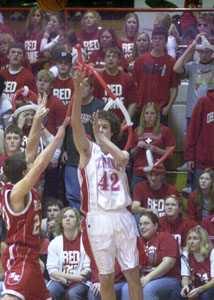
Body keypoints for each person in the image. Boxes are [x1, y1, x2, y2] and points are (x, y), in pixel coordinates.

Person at [71, 69, 143, 300]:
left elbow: (122, 159)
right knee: (106, 277)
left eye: (104, 127)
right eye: (97, 126)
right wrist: (77, 93)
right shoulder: (87, 151)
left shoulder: (120, 154)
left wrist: (102, 139)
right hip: (98, 217)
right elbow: (75, 125)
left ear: (112, 131)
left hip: (122, 215)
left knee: (133, 272)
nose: (100, 129)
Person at [1, 94, 69, 299]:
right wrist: (57, 138)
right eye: (28, 167)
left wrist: (37, 119)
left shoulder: (22, 184)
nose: (31, 165)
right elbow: (38, 163)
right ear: (24, 174)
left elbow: (30, 152)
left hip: (31, 256)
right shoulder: (16, 192)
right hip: (20, 255)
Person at [62, 75, 104, 209]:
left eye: (85, 85)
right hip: (73, 156)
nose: (82, 88)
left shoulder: (100, 106)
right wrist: (63, 150)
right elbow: (64, 129)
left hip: (92, 157)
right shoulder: (70, 106)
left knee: (92, 194)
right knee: (73, 195)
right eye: (80, 86)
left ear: (91, 89)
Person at [121, 211, 181, 300]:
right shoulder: (138, 241)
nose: (142, 227)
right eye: (140, 224)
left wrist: (148, 277)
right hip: (143, 278)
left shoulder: (165, 237)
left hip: (168, 278)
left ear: (155, 226)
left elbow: (169, 262)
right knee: (126, 288)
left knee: (148, 289)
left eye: (146, 224)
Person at [132, 27, 179, 125]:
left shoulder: (171, 62)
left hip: (161, 110)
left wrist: (169, 106)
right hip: (141, 109)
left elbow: (174, 87)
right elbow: (134, 84)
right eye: (155, 38)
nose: (157, 41)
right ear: (152, 40)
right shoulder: (141, 60)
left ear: (165, 41)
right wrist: (134, 104)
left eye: (161, 38)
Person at [46, 207, 91, 300]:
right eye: (64, 217)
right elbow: (52, 270)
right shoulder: (54, 243)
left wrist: (72, 279)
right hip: (61, 280)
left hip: (82, 281)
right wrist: (71, 278)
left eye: (71, 216)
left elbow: (88, 269)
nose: (67, 219)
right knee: (50, 291)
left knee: (73, 293)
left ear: (78, 221)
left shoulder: (86, 241)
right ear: (61, 222)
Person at [130, 102, 175, 191]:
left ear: (157, 115)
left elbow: (170, 154)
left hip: (158, 173)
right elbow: (131, 155)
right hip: (139, 173)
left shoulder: (165, 130)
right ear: (143, 116)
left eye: (152, 113)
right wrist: (137, 148)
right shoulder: (136, 131)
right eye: (146, 113)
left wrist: (156, 149)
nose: (149, 116)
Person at [173, 33, 214, 128]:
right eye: (202, 52)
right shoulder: (192, 66)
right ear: (198, 52)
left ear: (211, 53)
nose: (204, 55)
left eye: (207, 52)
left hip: (210, 111)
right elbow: (176, 68)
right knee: (192, 139)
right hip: (193, 110)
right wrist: (190, 48)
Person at [93, 47, 137, 126]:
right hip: (102, 123)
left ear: (119, 60)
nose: (110, 59)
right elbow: (94, 103)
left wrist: (124, 124)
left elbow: (133, 104)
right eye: (108, 56)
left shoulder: (127, 78)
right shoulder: (97, 78)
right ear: (104, 60)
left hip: (122, 122)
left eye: (114, 57)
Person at [184, 91, 214, 190]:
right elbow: (192, 130)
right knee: (198, 200)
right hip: (202, 163)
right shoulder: (203, 102)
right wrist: (189, 157)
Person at [176, 226, 214, 300]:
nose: (191, 242)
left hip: (210, 287)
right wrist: (185, 286)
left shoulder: (212, 253)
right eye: (189, 238)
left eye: (195, 238)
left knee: (206, 295)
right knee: (177, 293)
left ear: (203, 240)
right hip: (195, 287)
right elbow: (185, 277)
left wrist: (200, 289)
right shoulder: (186, 254)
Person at [19, 6, 47, 75]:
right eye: (33, 15)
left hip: (39, 70)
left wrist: (35, 61)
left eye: (38, 16)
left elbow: (48, 57)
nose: (35, 18)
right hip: (25, 69)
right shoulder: (25, 34)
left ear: (42, 18)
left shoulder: (45, 34)